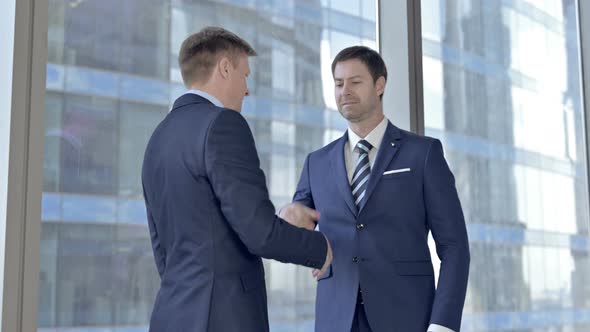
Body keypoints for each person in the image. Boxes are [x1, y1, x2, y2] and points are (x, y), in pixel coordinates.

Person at [141, 26, 332, 332]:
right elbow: (258, 232)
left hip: (172, 316)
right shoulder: (223, 124)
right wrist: (321, 249)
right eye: (245, 75)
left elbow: (162, 246)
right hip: (223, 318)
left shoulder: (159, 137)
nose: (246, 89)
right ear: (225, 68)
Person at [293, 46, 470, 332]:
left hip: (407, 316)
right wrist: (293, 223)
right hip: (336, 319)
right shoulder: (317, 162)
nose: (344, 91)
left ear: (379, 85)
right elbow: (296, 230)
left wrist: (443, 324)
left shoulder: (422, 154)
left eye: (355, 82)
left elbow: (454, 247)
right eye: (338, 83)